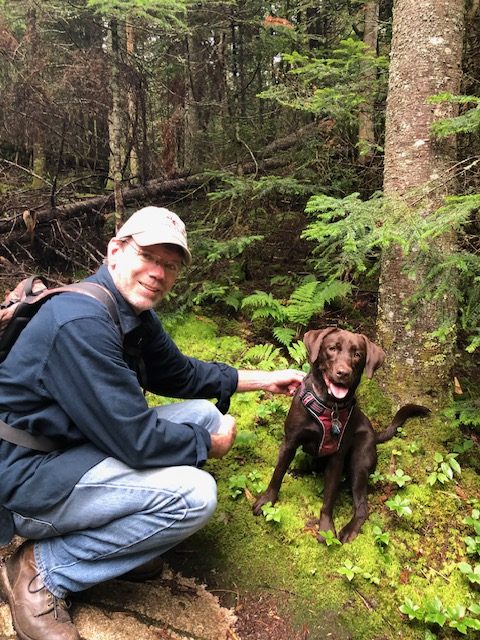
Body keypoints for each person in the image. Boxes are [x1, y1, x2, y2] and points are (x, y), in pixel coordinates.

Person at [0, 206, 304, 640]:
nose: (158, 273)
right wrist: (207, 445)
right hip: (27, 482)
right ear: (115, 251)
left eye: (170, 265)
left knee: (204, 412)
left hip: (71, 450)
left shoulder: (131, 315)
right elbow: (137, 440)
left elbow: (183, 376)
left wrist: (265, 379)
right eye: (149, 256)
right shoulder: (80, 323)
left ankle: (122, 542)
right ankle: (42, 572)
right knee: (196, 496)